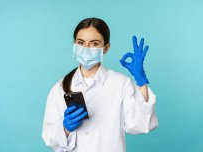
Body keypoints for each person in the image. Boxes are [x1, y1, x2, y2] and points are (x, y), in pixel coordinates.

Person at [41, 17, 158, 152]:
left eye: (94, 43)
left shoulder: (121, 83)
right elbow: (49, 137)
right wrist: (65, 129)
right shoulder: (60, 87)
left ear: (106, 48)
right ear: (74, 44)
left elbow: (140, 124)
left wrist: (141, 81)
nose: (86, 48)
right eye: (81, 42)